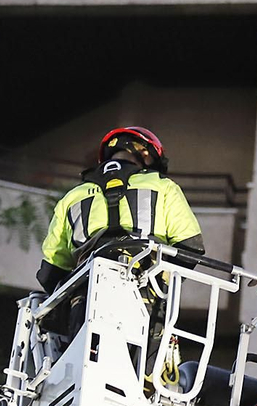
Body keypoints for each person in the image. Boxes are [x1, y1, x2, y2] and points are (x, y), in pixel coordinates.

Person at [36, 125, 204, 294]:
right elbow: (190, 246)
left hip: (85, 301)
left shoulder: (72, 197)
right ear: (146, 155)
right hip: (143, 297)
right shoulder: (163, 186)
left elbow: (51, 270)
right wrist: (160, 284)